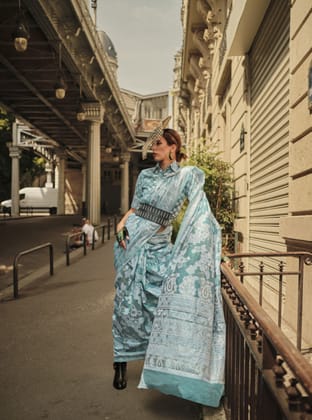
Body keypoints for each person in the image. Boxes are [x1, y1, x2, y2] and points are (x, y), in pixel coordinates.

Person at [112, 120, 226, 408]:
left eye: (158, 145)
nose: (153, 150)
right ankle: (121, 363)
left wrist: (206, 241)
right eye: (152, 146)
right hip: (131, 243)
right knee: (126, 305)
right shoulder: (145, 177)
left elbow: (199, 208)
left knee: (159, 301)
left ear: (173, 148)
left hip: (161, 247)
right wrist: (120, 224)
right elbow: (136, 208)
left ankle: (166, 364)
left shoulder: (186, 176)